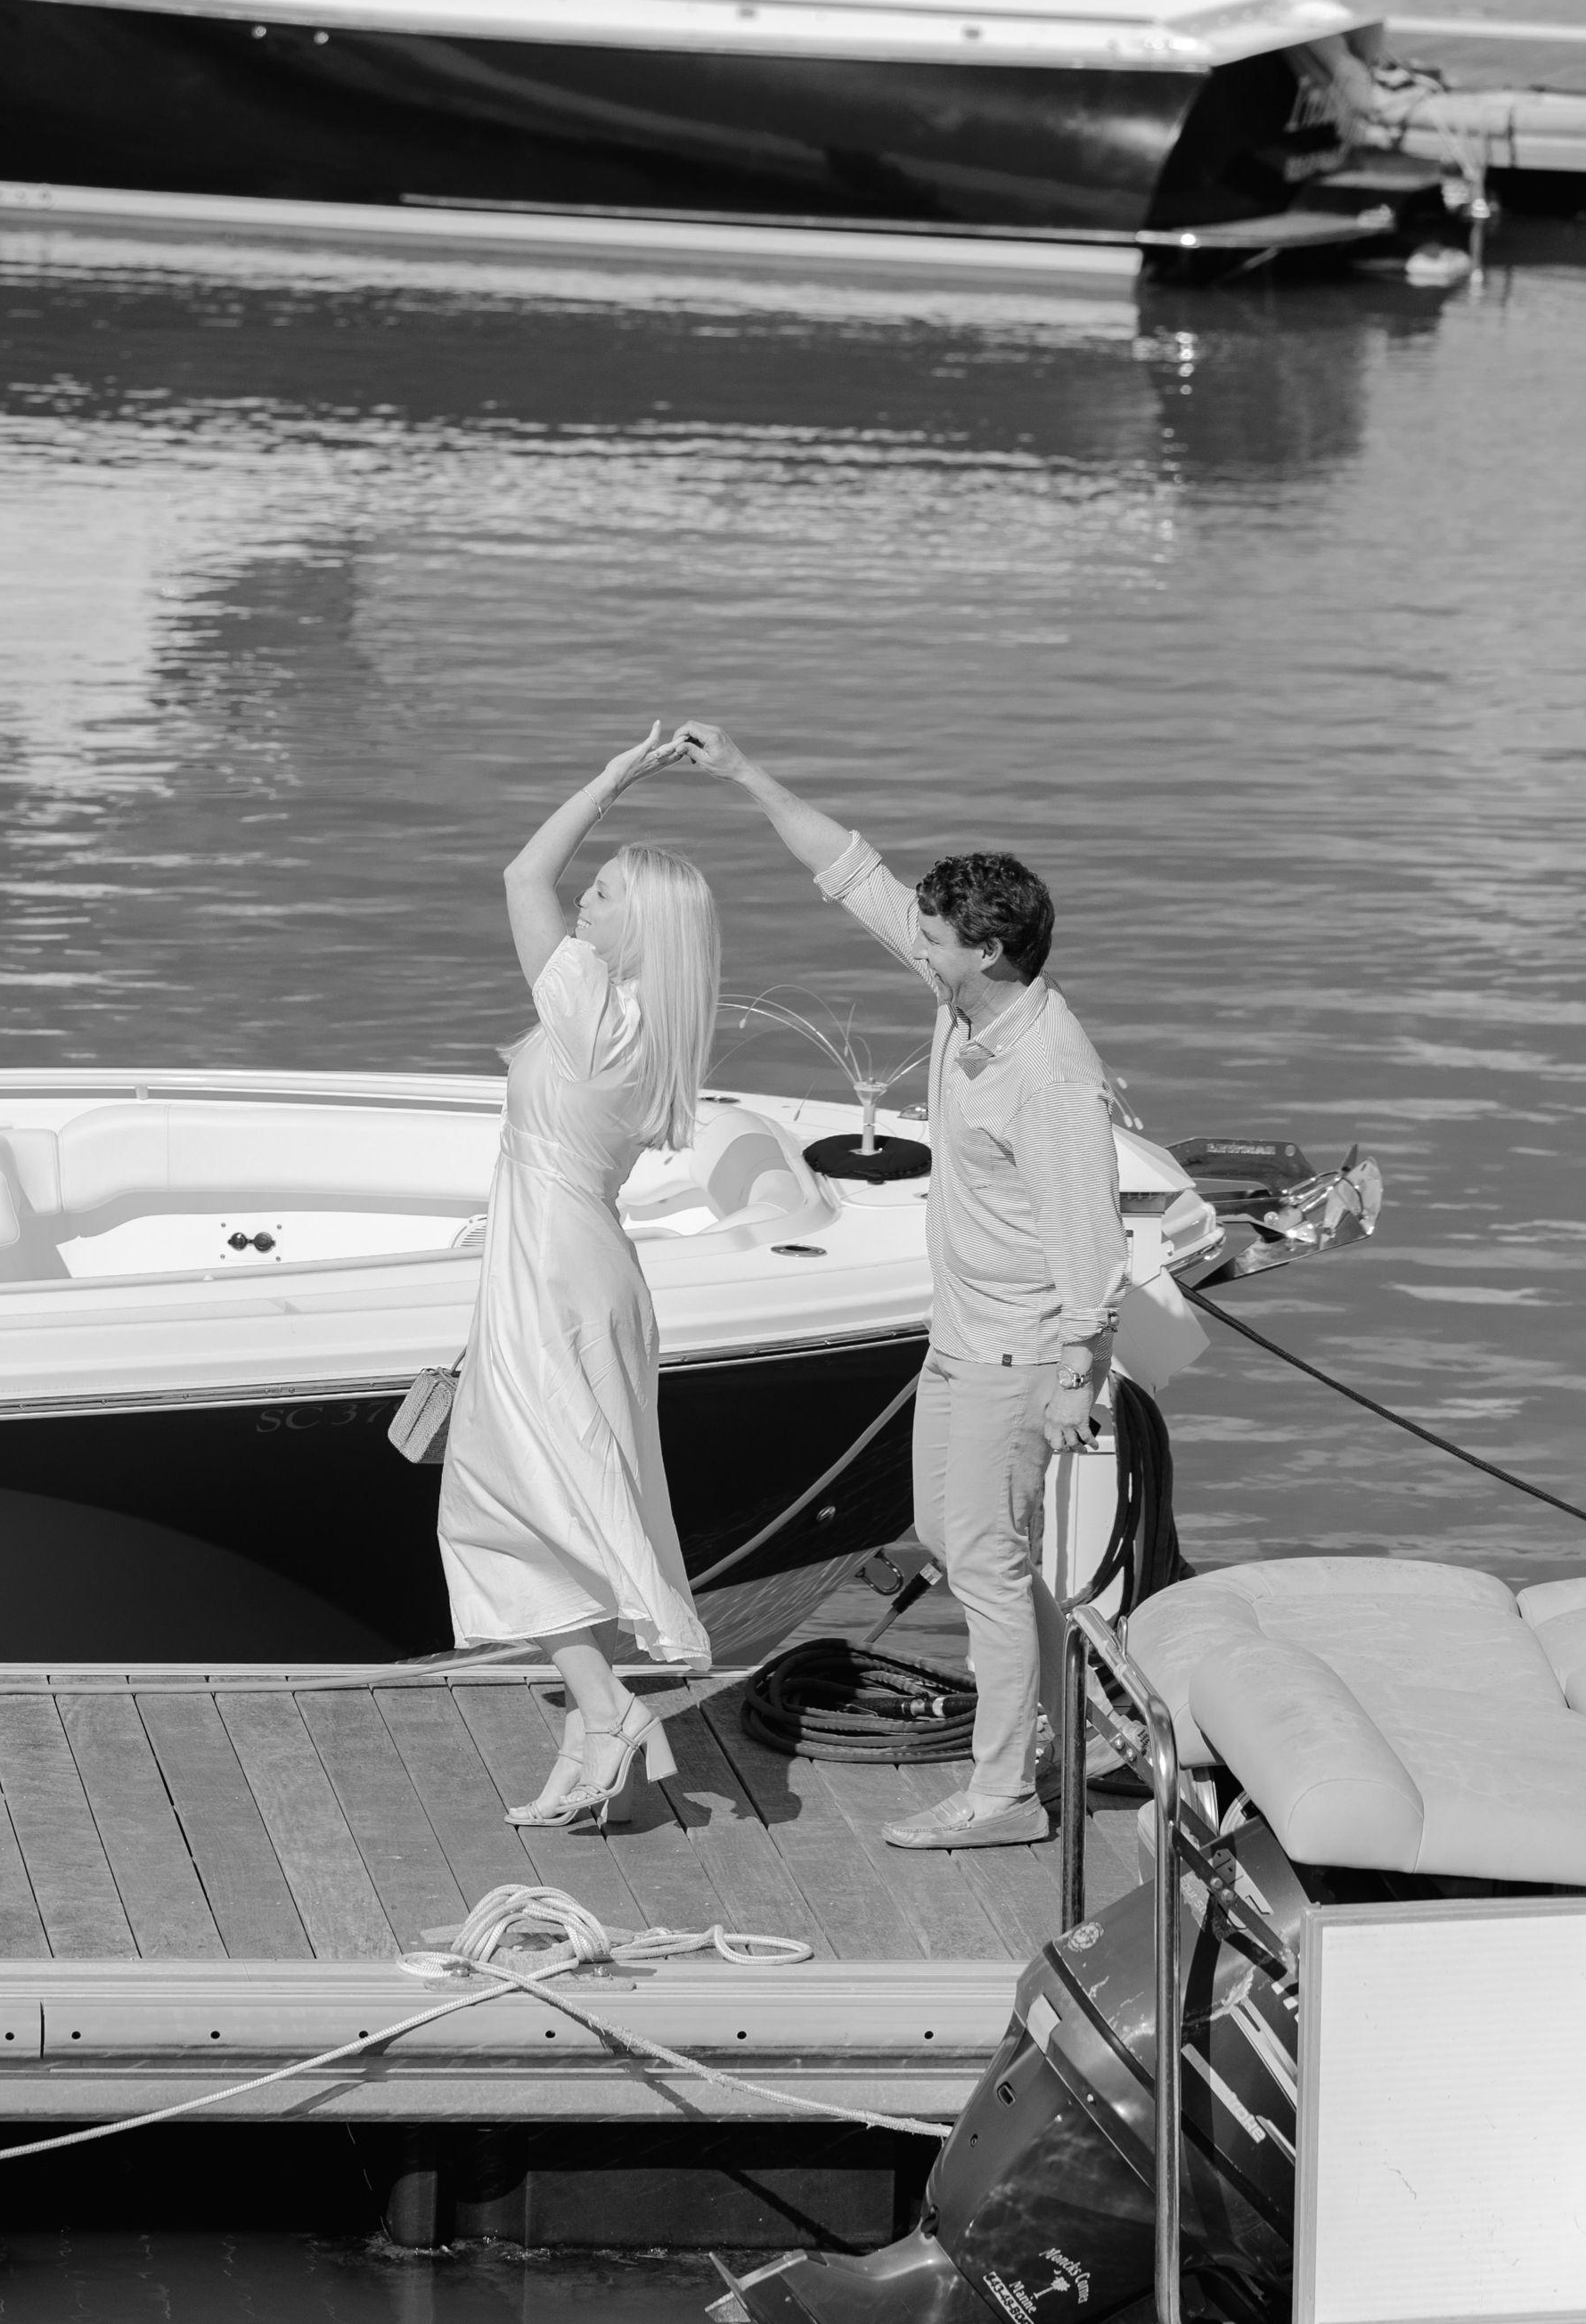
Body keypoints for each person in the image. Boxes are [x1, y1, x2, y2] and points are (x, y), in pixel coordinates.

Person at [677, 724, 1122, 1853]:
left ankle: (1003, 1793)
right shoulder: (964, 996)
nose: (913, 945)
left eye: (931, 938)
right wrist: (742, 772)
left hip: (1018, 1349)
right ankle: (1058, 1732)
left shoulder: (1047, 1075)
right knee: (954, 1537)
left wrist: (1077, 1376)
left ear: (988, 950)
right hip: (959, 1336)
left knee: (982, 1559)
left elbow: (1089, 1241)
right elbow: (852, 874)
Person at [439, 727, 719, 1831]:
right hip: (579, 1260)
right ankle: (591, 1737)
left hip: (550, 1271)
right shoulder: (648, 1025)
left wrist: (611, 778)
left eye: (602, 895)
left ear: (638, 925)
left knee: (499, 1497)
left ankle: (609, 1710)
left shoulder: (594, 1015)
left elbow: (521, 875)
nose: (583, 903)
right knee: (568, 1495)